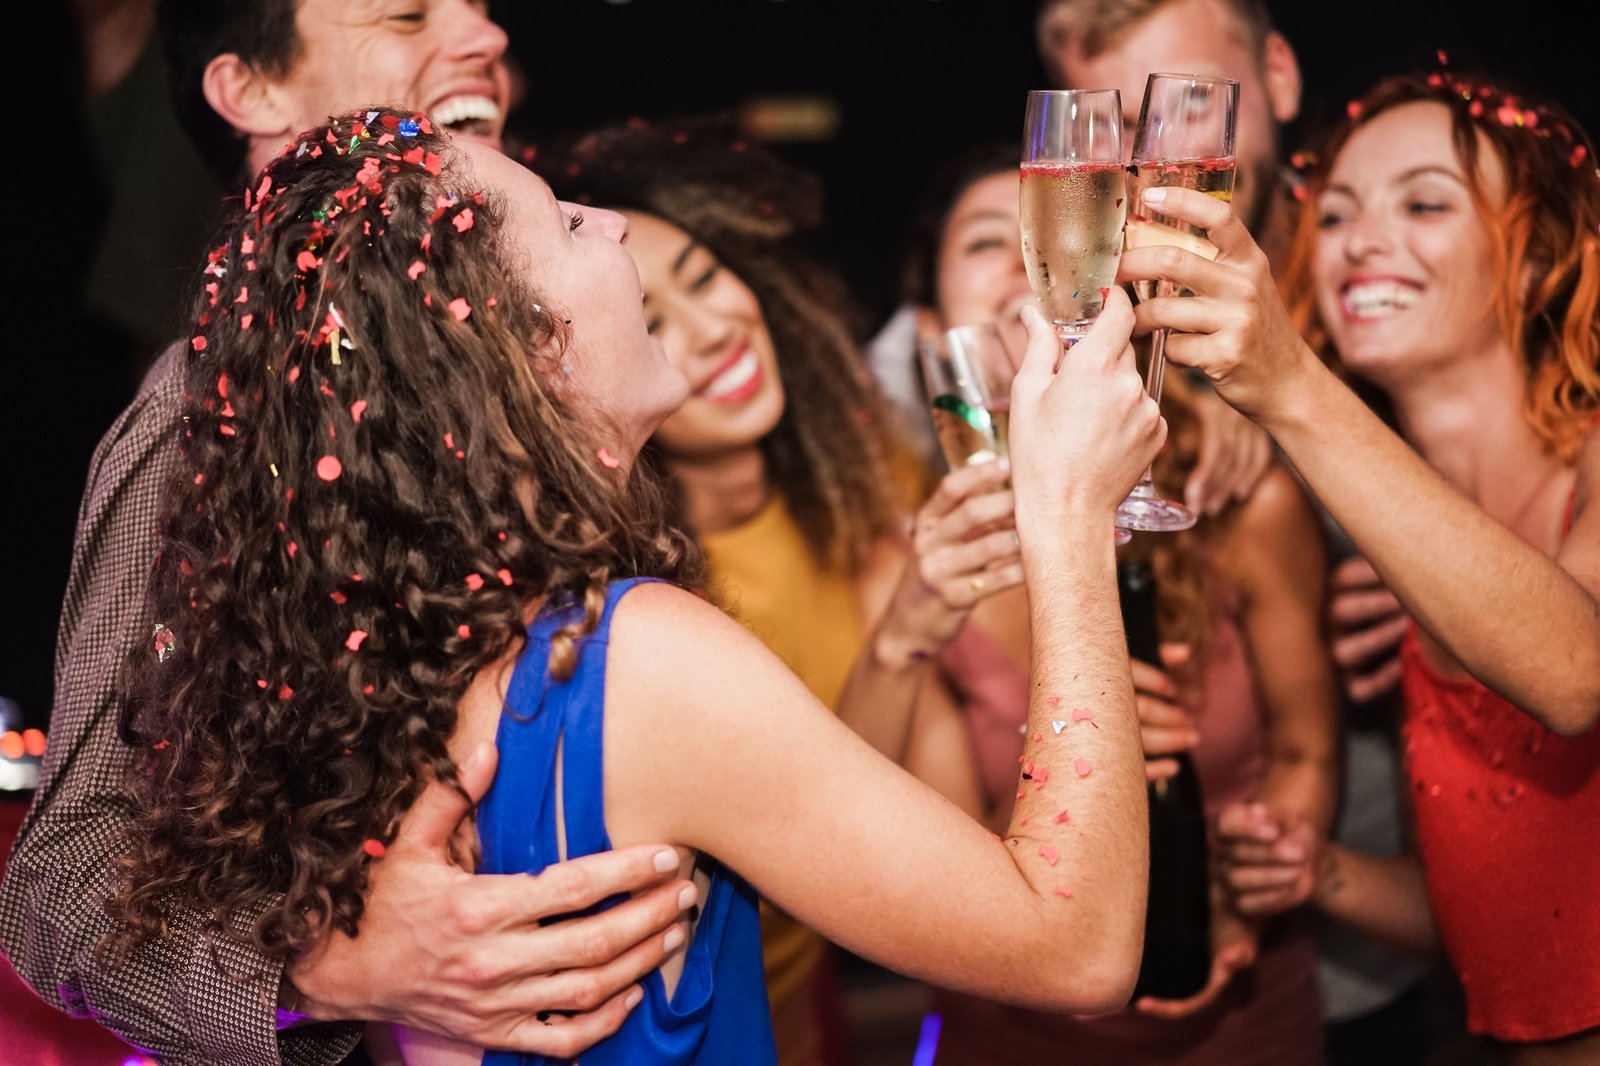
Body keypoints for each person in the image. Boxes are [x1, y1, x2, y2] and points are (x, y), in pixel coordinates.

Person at [103, 106, 1162, 1064]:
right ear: (521, 353)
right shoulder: (625, 659)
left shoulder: (395, 659)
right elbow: (1076, 949)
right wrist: (1067, 516)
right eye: (564, 223)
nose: (609, 224)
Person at [0, 2, 697, 1061]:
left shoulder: (546, 338)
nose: (484, 37)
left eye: (478, 6)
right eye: (408, 12)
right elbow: (60, 880)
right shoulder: (213, 404)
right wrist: (316, 970)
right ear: (252, 93)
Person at [1120, 71, 1600, 1063]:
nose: (1359, 240)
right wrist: (1316, 873)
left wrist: (1289, 381)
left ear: (1535, 259)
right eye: (1331, 214)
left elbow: (1575, 674)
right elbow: (1496, 917)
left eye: (1423, 202)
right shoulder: (1388, 552)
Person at [544, 119, 1034, 1066]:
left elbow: (910, 823)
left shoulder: (856, 492)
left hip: (809, 1007)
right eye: (652, 318)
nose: (715, 327)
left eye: (704, 274)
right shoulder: (646, 604)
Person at [1039, 3, 1446, 1056]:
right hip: (1262, 917)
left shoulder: (1394, 262)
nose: (1150, 154)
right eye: (1118, 122)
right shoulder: (1105, 287)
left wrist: (1427, 593)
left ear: (1273, 72)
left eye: (1182, 106)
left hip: (1437, 897)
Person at [889, 141, 1339, 1065]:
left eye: (1065, 229)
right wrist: (1081, 738)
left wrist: (1236, 898)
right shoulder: (915, 561)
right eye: (990, 238)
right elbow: (929, 855)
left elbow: (1305, 751)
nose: (1034, 254)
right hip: (1016, 1031)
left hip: (1243, 1018)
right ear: (931, 321)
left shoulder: (1238, 498)